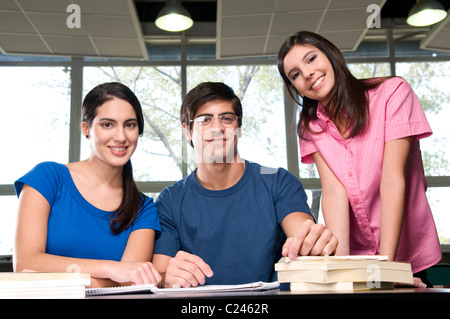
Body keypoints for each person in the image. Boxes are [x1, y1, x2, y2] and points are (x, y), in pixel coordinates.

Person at [277, 31, 441, 287]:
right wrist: (339, 272)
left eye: (311, 59)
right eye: (295, 74)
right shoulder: (309, 126)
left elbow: (392, 179)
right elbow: (334, 192)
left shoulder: (392, 93)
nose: (307, 73)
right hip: (359, 262)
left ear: (331, 56)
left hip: (408, 257)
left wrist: (387, 270)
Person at [152, 81, 337, 287]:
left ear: (238, 128)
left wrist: (312, 241)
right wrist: (166, 278)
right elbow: (161, 274)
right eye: (205, 120)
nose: (217, 128)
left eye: (227, 118)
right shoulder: (170, 200)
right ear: (187, 130)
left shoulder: (278, 181)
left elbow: (302, 234)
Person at [14, 82, 162, 288]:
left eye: (130, 124)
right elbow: (25, 264)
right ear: (86, 129)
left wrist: (57, 277)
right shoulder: (48, 178)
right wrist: (111, 269)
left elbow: (129, 285)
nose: (121, 137)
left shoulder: (144, 208)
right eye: (107, 124)